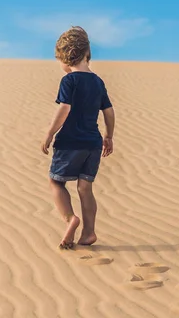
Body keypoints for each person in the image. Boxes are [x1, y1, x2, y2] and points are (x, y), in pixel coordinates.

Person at [41, 26, 115, 250]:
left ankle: (70, 219)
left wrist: (49, 133)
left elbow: (64, 108)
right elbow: (109, 112)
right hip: (92, 143)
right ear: (87, 54)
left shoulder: (69, 80)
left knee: (56, 182)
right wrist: (108, 137)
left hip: (70, 142)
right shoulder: (97, 81)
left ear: (66, 57)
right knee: (85, 188)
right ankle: (89, 232)